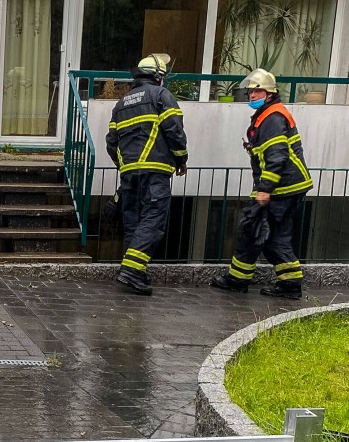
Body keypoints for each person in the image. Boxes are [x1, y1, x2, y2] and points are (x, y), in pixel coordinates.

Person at [211, 68, 313, 299]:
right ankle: (288, 283)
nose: (252, 96)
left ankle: (238, 280)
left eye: (257, 91)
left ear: (269, 94)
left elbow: (277, 156)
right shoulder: (269, 115)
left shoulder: (272, 118)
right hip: (288, 187)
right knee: (271, 235)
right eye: (250, 92)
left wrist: (265, 189)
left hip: (281, 188)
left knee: (254, 231)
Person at [105, 53, 189, 296]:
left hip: (129, 174)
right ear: (158, 77)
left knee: (134, 223)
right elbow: (174, 130)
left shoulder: (121, 104)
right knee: (153, 220)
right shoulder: (161, 95)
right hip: (155, 172)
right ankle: (131, 271)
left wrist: (125, 166)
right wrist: (181, 159)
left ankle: (136, 273)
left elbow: (112, 142)